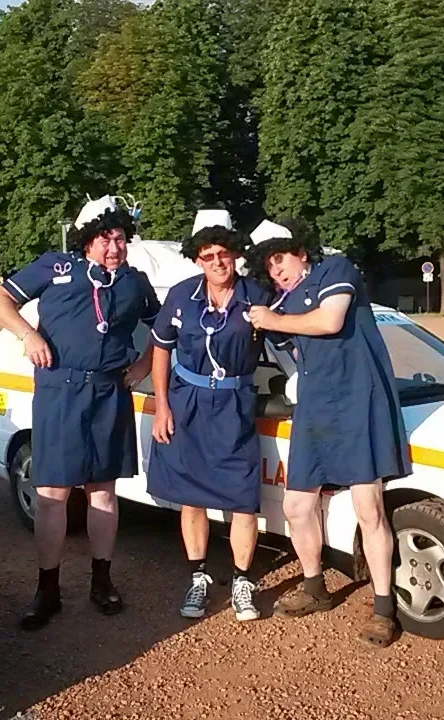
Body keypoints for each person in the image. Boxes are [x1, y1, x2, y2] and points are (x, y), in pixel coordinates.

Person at [0, 195, 161, 630]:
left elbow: (166, 328)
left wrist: (142, 365)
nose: (114, 246)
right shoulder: (54, 266)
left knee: (102, 491)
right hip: (59, 391)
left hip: (109, 393)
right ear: (87, 240)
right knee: (53, 496)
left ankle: (102, 582)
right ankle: (47, 590)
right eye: (105, 238)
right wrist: (28, 335)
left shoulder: (134, 282)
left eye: (120, 238)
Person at [245, 218, 411, 648]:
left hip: (359, 399)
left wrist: (271, 320)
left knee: (368, 507)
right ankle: (316, 587)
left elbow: (331, 321)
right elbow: (295, 356)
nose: (276, 268)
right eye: (268, 264)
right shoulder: (281, 302)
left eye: (280, 257)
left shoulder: (335, 269)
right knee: (298, 506)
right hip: (316, 406)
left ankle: (383, 608)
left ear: (300, 251)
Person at [147, 210, 272, 621]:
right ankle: (199, 578)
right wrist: (162, 405)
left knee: (242, 499)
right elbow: (161, 349)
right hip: (187, 403)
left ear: (235, 254)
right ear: (197, 260)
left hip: (234, 406)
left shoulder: (256, 295)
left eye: (224, 253)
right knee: (192, 497)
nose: (217, 261)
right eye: (208, 255)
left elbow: (289, 342)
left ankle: (241, 581)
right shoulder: (182, 295)